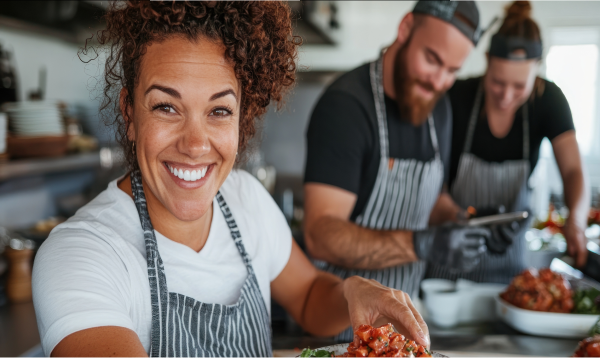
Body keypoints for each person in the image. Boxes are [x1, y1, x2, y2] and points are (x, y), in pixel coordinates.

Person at [31, 2, 430, 357]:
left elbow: (308, 296)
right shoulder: (81, 256)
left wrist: (350, 291)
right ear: (129, 114)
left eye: (219, 111)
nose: (194, 144)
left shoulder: (245, 198)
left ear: (244, 118)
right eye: (166, 107)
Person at [303, 0, 491, 341]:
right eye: (432, 59)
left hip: (405, 335)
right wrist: (422, 245)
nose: (439, 81)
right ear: (405, 29)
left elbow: (431, 199)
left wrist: (467, 221)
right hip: (343, 335)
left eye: (452, 70)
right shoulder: (346, 106)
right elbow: (320, 234)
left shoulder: (440, 110)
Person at [426, 1, 590, 284]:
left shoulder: (549, 101)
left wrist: (575, 221)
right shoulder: (456, 99)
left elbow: (574, 171)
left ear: (537, 68)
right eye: (498, 82)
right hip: (447, 274)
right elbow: (429, 189)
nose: (505, 96)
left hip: (510, 277)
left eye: (518, 86)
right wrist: (469, 218)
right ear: (487, 60)